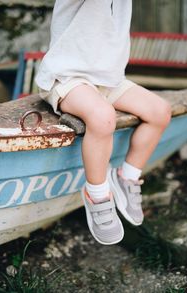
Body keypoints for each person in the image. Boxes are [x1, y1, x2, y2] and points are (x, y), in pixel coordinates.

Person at [35, 0, 171, 245]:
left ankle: (126, 177)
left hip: (109, 81)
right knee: (103, 117)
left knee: (160, 111)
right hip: (68, 78)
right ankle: (97, 194)